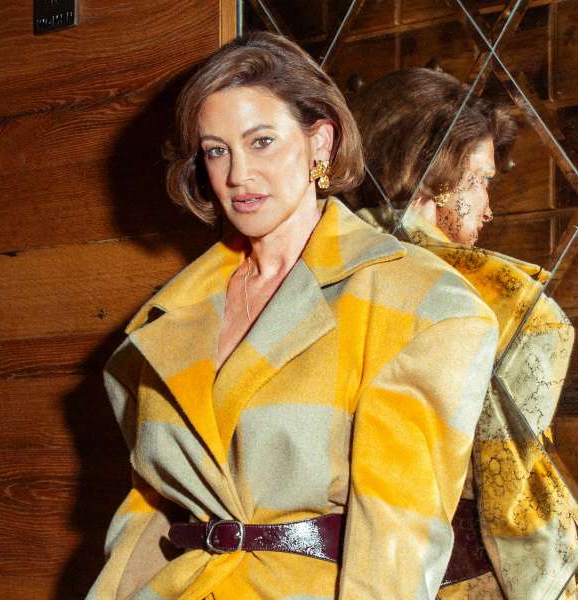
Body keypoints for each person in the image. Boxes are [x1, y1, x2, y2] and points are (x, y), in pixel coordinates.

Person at [86, 35, 499, 600]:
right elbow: (148, 506)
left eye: (261, 142)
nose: (238, 174)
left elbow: (397, 542)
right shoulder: (173, 314)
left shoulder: (418, 304)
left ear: (319, 142)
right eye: (216, 151)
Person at [348, 68, 578, 600]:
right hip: (458, 566)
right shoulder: (501, 295)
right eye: (478, 181)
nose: (489, 208)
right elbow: (513, 481)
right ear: (428, 172)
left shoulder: (329, 257)